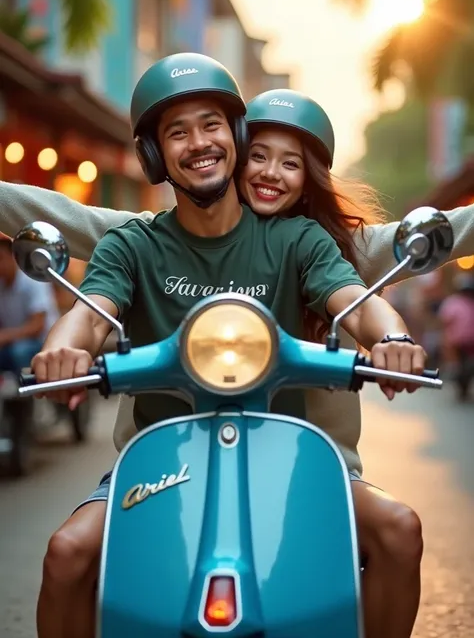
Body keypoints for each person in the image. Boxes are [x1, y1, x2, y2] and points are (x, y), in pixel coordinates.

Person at [27, 53, 427, 638]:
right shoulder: (132, 245)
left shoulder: (296, 239)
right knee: (66, 555)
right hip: (163, 462)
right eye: (177, 132)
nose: (198, 142)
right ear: (153, 155)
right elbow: (89, 317)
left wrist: (392, 337)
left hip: (285, 455)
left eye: (211, 124)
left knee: (399, 529)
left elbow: (355, 301)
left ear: (236, 135)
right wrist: (63, 348)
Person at [0, 237, 59, 373]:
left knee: (20, 351)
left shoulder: (34, 280)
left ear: (13, 257)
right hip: (14, 342)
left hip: (44, 342)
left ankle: (31, 390)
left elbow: (37, 326)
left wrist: (5, 336)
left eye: (0, 258)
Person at [439, 273, 474, 400]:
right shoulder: (454, 302)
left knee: (463, 365)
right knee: (458, 365)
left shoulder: (453, 302)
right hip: (461, 341)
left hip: (464, 341)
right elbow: (446, 322)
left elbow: (445, 321)